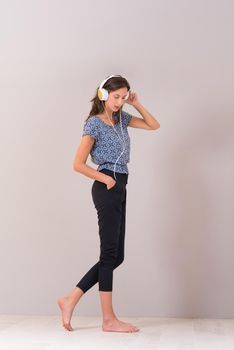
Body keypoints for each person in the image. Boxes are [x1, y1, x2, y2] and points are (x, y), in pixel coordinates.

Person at [57, 74, 160, 333]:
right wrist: (105, 178)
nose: (119, 102)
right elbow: (77, 164)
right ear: (104, 94)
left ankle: (70, 299)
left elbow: (153, 125)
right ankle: (108, 319)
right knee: (109, 254)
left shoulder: (122, 119)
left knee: (117, 256)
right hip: (107, 186)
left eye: (124, 97)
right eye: (116, 97)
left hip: (121, 184)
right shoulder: (94, 124)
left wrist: (136, 104)